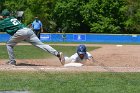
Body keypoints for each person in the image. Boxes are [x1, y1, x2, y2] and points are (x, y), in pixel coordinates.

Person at [0, 9, 65, 66]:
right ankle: (58, 54)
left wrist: (1, 18)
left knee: (9, 45)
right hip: (28, 31)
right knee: (41, 45)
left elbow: (3, 22)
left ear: (4, 16)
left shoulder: (4, 21)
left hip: (21, 32)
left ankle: (12, 61)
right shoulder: (12, 18)